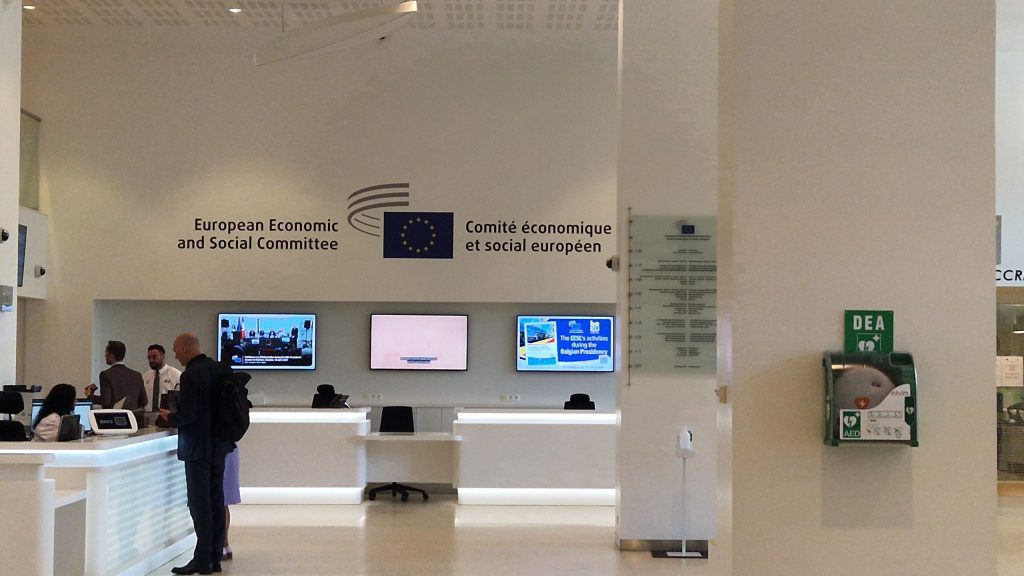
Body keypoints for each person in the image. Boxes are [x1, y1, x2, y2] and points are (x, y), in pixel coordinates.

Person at [160, 333, 233, 575]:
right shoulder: (218, 369)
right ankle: (214, 558)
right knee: (216, 501)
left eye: (175, 350)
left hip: (197, 449)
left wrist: (170, 416)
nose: (175, 356)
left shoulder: (191, 375)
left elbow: (188, 416)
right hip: (219, 446)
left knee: (200, 504)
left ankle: (202, 560)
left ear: (184, 348)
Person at [84, 340, 147, 410]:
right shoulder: (137, 375)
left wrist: (90, 396)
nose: (105, 355)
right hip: (132, 415)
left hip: (113, 415)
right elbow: (144, 401)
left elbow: (106, 401)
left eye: (106, 353)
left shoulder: (106, 375)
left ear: (111, 355)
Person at [143, 344, 181, 412]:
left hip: (168, 415)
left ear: (163, 356)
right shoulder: (145, 377)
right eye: (149, 358)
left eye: (154, 356)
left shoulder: (176, 375)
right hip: (147, 415)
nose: (151, 360)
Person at [222, 447, 241, 561]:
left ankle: (221, 544)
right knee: (223, 502)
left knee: (219, 501)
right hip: (227, 447)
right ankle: (224, 544)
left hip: (217, 451)